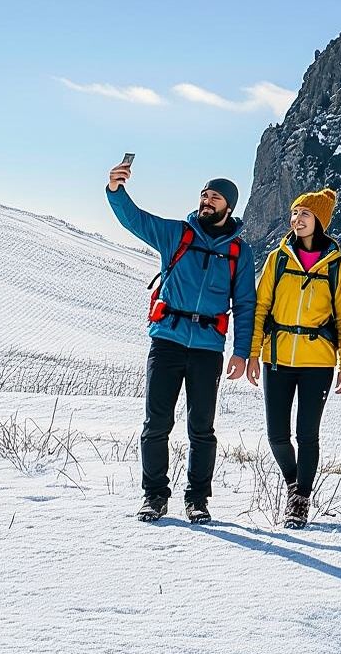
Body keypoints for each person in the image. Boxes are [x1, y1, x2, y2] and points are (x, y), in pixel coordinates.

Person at [106, 163, 255, 524]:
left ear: (228, 207)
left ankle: (197, 500)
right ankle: (154, 496)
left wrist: (242, 351)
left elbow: (246, 303)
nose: (206, 201)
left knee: (201, 428)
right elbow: (135, 220)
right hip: (167, 341)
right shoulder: (177, 234)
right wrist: (115, 190)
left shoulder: (239, 252)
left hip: (208, 349)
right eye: (204, 195)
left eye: (214, 197)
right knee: (156, 423)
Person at [243, 188, 341, 529]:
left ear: (319, 220)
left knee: (307, 434)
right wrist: (253, 353)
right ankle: (295, 484)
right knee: (276, 433)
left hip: (317, 361)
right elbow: (261, 308)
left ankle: (300, 499)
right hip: (277, 358)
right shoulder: (278, 259)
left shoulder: (336, 265)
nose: (297, 219)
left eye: (304, 214)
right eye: (294, 214)